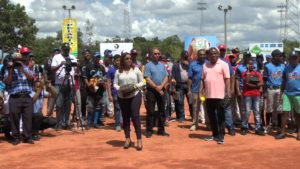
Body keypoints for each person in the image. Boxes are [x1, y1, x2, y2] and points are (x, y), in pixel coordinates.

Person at [4, 47, 34, 145]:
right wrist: (11, 70)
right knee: (14, 118)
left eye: (19, 60)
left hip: (26, 96)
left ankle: (27, 137)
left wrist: (23, 69)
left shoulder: (26, 67)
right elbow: (7, 82)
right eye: (16, 60)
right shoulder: (9, 69)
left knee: (28, 117)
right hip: (14, 97)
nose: (18, 62)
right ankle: (16, 137)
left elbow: (31, 78)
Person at [200, 47, 231, 145]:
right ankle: (214, 134)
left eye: (215, 54)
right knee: (211, 116)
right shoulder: (205, 65)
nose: (213, 55)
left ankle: (221, 136)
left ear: (218, 54)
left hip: (220, 95)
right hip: (209, 96)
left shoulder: (224, 64)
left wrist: (228, 93)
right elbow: (202, 79)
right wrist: (201, 91)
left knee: (221, 116)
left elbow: (227, 79)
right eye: (211, 54)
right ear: (208, 56)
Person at [114, 52, 144, 150]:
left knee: (135, 116)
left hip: (134, 94)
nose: (129, 60)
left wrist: (135, 86)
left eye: (130, 58)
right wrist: (120, 89)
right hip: (122, 96)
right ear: (123, 60)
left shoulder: (136, 70)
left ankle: (139, 140)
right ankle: (127, 139)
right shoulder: (118, 71)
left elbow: (142, 81)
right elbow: (115, 84)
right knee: (125, 117)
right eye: (127, 58)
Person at [144, 48, 169, 138]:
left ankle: (161, 130)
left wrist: (161, 86)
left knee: (162, 111)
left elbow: (166, 76)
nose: (157, 55)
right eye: (155, 54)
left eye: (158, 53)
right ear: (151, 55)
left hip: (162, 90)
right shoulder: (148, 65)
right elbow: (147, 78)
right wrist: (157, 88)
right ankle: (149, 130)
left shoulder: (162, 65)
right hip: (151, 91)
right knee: (150, 111)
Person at [51, 43, 77, 130]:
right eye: (65, 49)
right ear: (61, 49)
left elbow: (76, 68)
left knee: (68, 104)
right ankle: (59, 123)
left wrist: (77, 65)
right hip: (59, 83)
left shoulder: (72, 56)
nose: (66, 51)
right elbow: (52, 69)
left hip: (70, 83)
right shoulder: (56, 57)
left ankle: (66, 122)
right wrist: (61, 64)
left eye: (68, 49)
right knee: (59, 104)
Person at [276, 51, 300, 140]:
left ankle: (299, 132)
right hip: (287, 93)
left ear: (298, 59)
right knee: (284, 113)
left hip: (298, 94)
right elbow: (284, 81)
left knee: (298, 114)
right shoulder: (286, 68)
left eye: (295, 58)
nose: (293, 60)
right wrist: (281, 93)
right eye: (291, 58)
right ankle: (283, 132)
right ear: (289, 59)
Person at [240, 57, 265, 136]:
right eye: (249, 64)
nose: (251, 65)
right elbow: (246, 83)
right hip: (247, 94)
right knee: (247, 111)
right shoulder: (244, 73)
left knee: (257, 111)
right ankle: (244, 127)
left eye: (252, 64)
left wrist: (254, 85)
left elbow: (261, 83)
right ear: (246, 65)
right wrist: (256, 85)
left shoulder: (257, 73)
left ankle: (257, 128)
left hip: (256, 95)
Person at [263, 49, 285, 134]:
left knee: (280, 108)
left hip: (280, 89)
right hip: (270, 89)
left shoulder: (283, 66)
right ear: (275, 56)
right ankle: (268, 126)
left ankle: (279, 126)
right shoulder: (268, 66)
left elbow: (284, 79)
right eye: (279, 56)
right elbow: (264, 80)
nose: (281, 57)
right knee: (269, 108)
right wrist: (264, 91)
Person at [83, 52, 106, 129]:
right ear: (93, 58)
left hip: (99, 90)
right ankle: (88, 123)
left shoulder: (102, 67)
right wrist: (88, 85)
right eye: (96, 57)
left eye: (99, 57)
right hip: (91, 90)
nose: (97, 59)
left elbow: (105, 77)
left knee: (98, 107)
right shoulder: (89, 66)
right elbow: (85, 77)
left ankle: (95, 123)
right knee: (90, 107)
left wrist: (103, 82)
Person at [218, 44, 236, 136]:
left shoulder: (226, 62)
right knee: (217, 108)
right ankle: (219, 127)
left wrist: (231, 88)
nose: (222, 52)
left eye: (223, 50)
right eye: (221, 50)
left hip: (225, 88)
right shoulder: (211, 62)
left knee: (227, 108)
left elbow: (232, 75)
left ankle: (230, 127)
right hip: (215, 89)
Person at [171, 51, 192, 122]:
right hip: (179, 85)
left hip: (189, 85)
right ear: (181, 57)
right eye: (184, 57)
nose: (186, 58)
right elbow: (172, 75)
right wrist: (173, 83)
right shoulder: (176, 65)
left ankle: (193, 116)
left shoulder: (191, 64)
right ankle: (181, 117)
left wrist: (187, 64)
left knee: (191, 101)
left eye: (187, 57)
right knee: (179, 101)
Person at [188, 49, 205, 131]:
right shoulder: (192, 65)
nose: (202, 56)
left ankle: (208, 124)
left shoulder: (208, 64)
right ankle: (195, 124)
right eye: (200, 54)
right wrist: (189, 89)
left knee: (207, 108)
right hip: (195, 89)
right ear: (197, 55)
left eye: (203, 54)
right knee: (195, 108)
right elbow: (190, 78)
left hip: (206, 90)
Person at [107, 54, 122, 131]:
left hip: (124, 92)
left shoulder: (123, 69)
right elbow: (108, 83)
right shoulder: (111, 70)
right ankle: (118, 124)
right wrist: (109, 94)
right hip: (115, 92)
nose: (118, 62)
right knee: (117, 107)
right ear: (114, 61)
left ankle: (122, 122)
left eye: (120, 60)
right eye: (117, 60)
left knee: (123, 108)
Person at [44, 48, 60, 116]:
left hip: (59, 83)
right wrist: (46, 81)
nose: (56, 54)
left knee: (59, 101)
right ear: (53, 53)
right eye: (55, 52)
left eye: (58, 52)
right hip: (51, 83)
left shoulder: (61, 60)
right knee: (51, 100)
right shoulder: (49, 61)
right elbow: (45, 72)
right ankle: (49, 116)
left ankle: (58, 117)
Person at [79, 49, 92, 119]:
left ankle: (91, 117)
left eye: (88, 53)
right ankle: (83, 116)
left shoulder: (92, 63)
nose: (87, 54)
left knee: (91, 101)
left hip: (92, 84)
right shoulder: (81, 63)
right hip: (83, 85)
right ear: (83, 55)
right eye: (85, 53)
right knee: (83, 101)